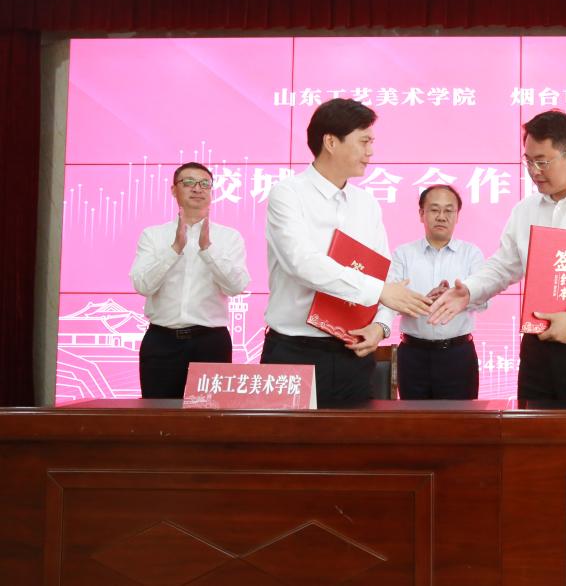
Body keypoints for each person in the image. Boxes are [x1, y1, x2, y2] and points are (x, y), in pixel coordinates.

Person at [429, 109, 566, 401]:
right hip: (538, 348)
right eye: (528, 161)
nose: (534, 171)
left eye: (542, 161)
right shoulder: (525, 209)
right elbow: (504, 266)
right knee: (532, 428)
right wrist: (469, 290)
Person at [261, 98, 431, 407]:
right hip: (295, 351)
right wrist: (380, 292)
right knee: (289, 439)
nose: (371, 151)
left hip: (353, 352)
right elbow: (302, 264)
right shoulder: (288, 194)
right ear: (330, 142)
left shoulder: (367, 204)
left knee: (354, 438)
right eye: (364, 141)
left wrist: (380, 326)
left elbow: (384, 273)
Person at [130, 162, 250, 398]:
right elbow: (142, 286)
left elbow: (236, 287)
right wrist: (175, 249)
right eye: (188, 182)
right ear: (174, 190)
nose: (197, 188)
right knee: (158, 414)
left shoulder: (229, 237)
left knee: (210, 417)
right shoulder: (153, 235)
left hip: (210, 342)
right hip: (162, 341)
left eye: (205, 184)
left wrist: (208, 250)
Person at [389, 185, 485, 399]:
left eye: (449, 210)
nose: (441, 216)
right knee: (414, 417)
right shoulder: (403, 254)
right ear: (421, 214)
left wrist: (457, 298)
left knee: (461, 418)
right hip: (413, 354)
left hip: (458, 354)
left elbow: (484, 301)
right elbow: (390, 301)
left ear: (457, 216)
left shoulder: (471, 254)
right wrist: (423, 301)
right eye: (434, 210)